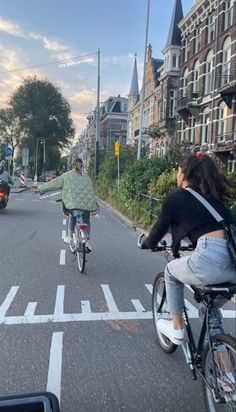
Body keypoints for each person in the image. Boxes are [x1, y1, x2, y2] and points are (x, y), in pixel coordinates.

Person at [141, 152, 236, 345]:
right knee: (210, 310)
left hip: (209, 260)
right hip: (233, 265)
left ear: (183, 174)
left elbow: (159, 230)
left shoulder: (176, 198)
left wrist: (147, 244)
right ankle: (225, 372)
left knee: (170, 272)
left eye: (177, 171)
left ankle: (176, 329)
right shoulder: (215, 201)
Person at [38, 158, 98, 251]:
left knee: (72, 217)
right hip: (87, 205)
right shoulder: (87, 177)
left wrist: (40, 189)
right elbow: (91, 191)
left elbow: (54, 184)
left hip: (74, 205)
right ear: (82, 166)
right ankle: (86, 241)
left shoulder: (67, 176)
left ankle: (69, 237)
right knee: (86, 220)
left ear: (72, 165)